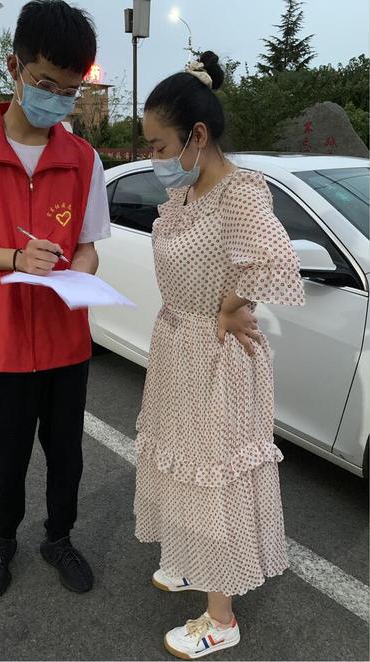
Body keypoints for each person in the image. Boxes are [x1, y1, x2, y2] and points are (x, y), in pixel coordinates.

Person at [0, 0, 110, 599]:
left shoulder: (82, 160)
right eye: (46, 84)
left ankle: (59, 537)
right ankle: (1, 541)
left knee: (66, 457)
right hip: (1, 343)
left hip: (65, 343)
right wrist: (14, 258)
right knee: (1, 457)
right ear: (15, 66)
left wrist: (77, 276)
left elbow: (88, 247)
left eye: (70, 90)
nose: (57, 99)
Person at [134, 51, 305, 658]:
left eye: (159, 146)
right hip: (178, 350)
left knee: (214, 473)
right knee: (181, 460)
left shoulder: (238, 192)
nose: (154, 157)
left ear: (197, 136)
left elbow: (273, 257)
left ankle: (221, 616)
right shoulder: (186, 196)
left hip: (216, 360)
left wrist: (232, 304)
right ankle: (192, 559)